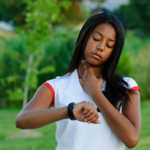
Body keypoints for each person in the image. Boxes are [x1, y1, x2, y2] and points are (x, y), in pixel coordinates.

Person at [16, 13, 141, 150]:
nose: (101, 47)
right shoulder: (56, 86)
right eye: (96, 38)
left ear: (114, 52)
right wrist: (69, 111)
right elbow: (22, 120)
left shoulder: (126, 86)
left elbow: (132, 139)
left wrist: (95, 93)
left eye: (109, 45)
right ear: (84, 37)